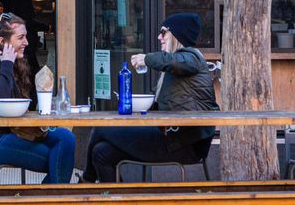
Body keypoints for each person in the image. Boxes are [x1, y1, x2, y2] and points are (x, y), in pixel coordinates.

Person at [80, 13, 220, 183]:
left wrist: (146, 58)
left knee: (101, 128)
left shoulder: (192, 57)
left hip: (185, 143)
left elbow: (173, 62)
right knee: (101, 152)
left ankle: (86, 180)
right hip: (172, 137)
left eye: (163, 32)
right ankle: (119, 197)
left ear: (177, 35)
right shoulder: (177, 66)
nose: (159, 37)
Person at [0, 13, 75, 184]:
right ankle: (54, 196)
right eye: (20, 37)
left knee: (66, 138)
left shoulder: (11, 60)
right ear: (2, 42)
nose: (26, 42)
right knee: (57, 158)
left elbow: (20, 103)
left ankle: (52, 195)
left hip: (13, 131)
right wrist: (6, 64)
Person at [1, 0, 49, 81]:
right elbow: (27, 21)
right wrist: (46, 27)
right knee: (32, 74)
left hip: (12, 41)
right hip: (24, 43)